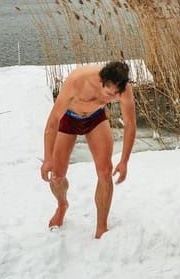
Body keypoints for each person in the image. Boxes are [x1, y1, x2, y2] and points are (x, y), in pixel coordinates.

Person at [40, 60, 135, 239]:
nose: (111, 98)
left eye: (115, 95)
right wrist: (47, 158)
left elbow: (130, 125)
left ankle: (101, 227)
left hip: (95, 118)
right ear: (101, 81)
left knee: (105, 172)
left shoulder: (124, 89)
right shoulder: (78, 81)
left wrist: (124, 161)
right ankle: (62, 204)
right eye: (108, 93)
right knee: (57, 176)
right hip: (68, 118)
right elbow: (53, 121)